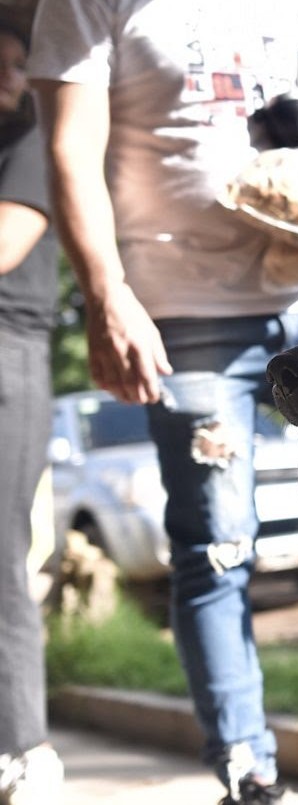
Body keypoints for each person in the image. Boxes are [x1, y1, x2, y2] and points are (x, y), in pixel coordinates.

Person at [28, 2, 298, 802]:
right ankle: (249, 769)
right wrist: (105, 295)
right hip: (187, 310)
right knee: (216, 544)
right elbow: (69, 147)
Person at [0, 18, 64, 805]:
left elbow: (7, 240)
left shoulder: (31, 144)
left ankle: (23, 747)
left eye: (18, 63)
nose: (10, 75)